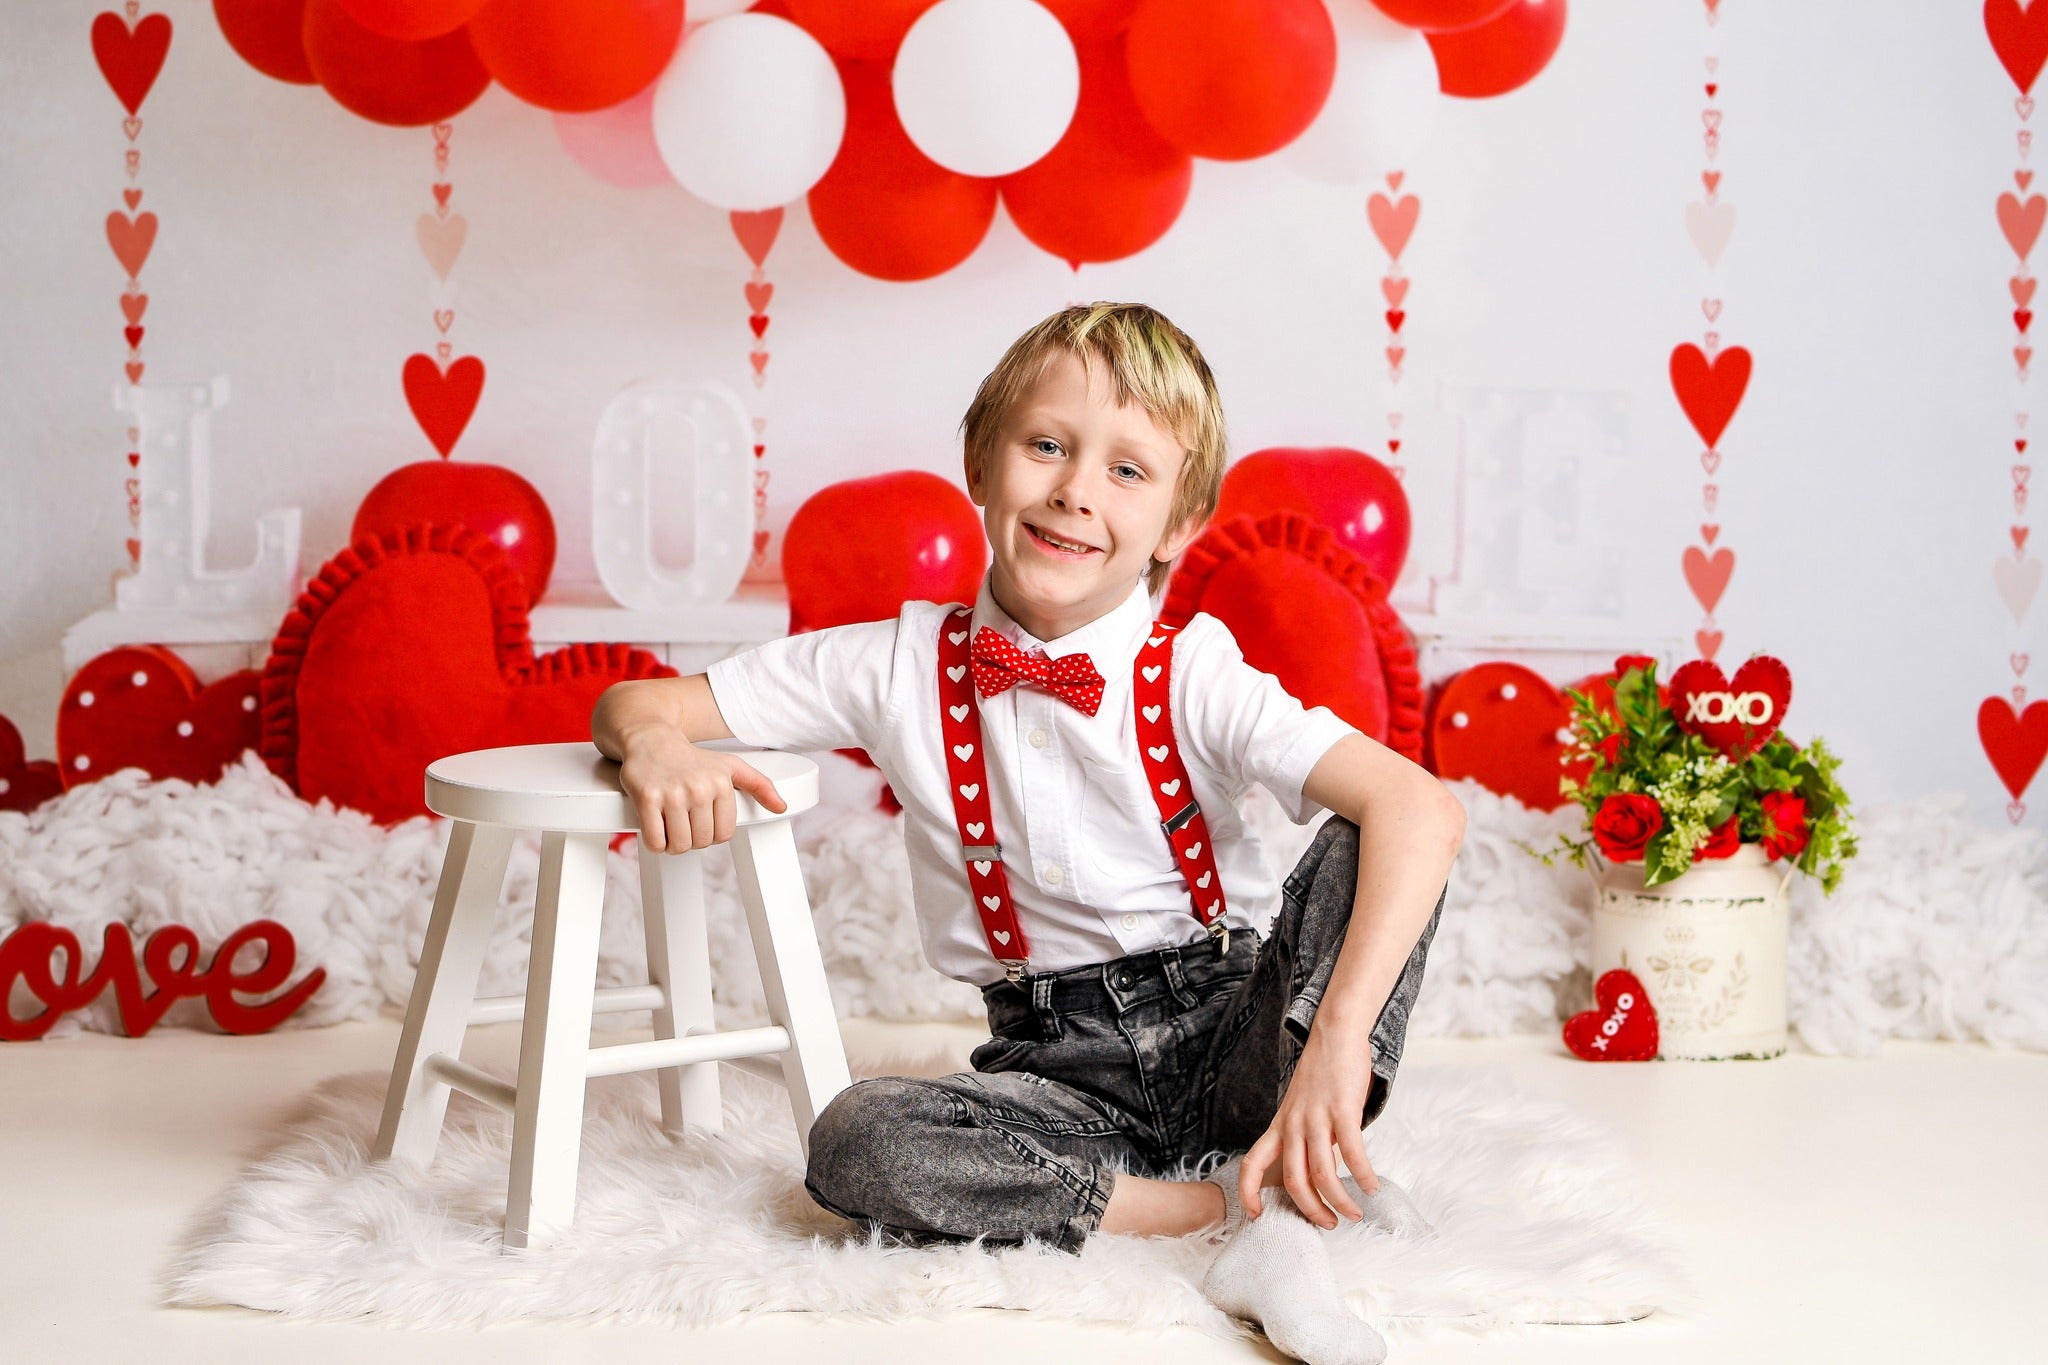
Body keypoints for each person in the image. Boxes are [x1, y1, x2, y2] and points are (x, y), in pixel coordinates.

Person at [591, 303, 1463, 1365]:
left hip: (1242, 1036)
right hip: (1056, 1079)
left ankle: (1274, 1168)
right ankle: (1235, 1214)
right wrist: (656, 748)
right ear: (979, 461)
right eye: (1046, 445)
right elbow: (640, 702)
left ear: (1179, 523)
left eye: (1127, 471)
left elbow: (1423, 806)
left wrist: (1333, 1043)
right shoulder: (893, 665)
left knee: (1373, 837)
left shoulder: (1193, 669)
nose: (1074, 491)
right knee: (855, 1140)